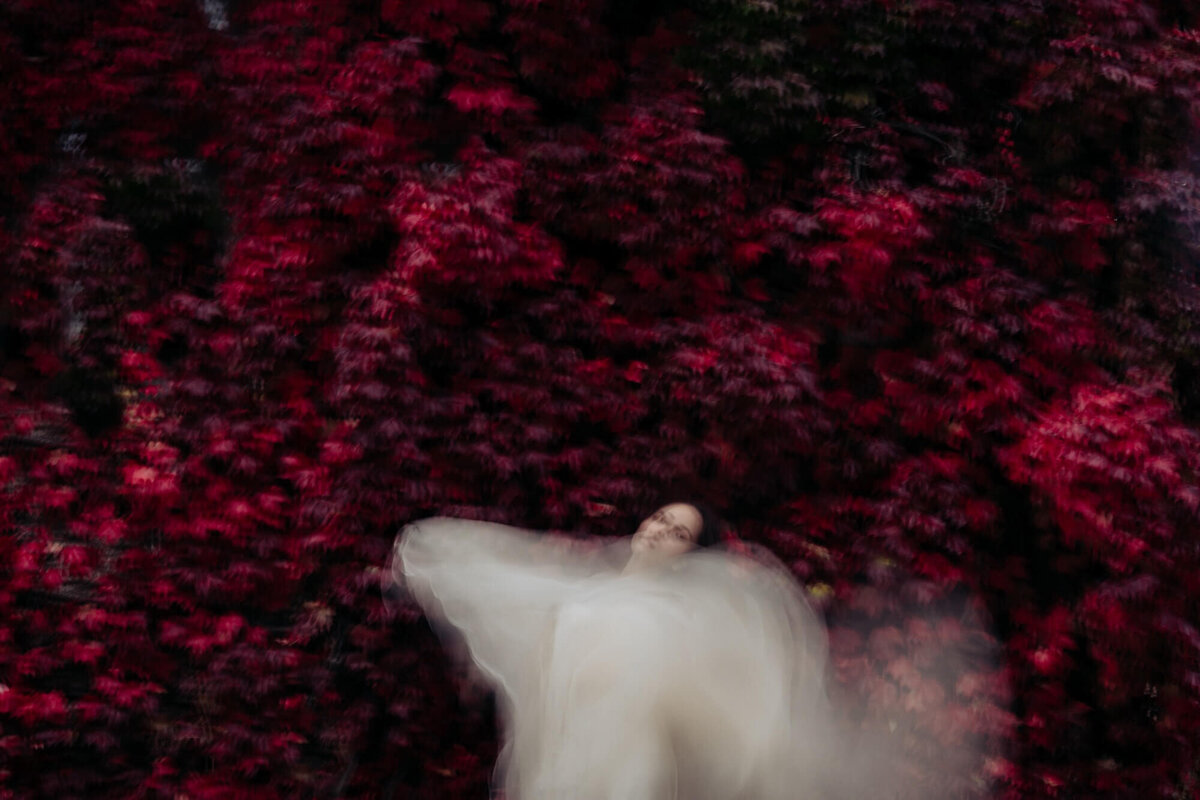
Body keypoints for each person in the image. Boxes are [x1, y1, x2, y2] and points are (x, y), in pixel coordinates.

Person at [390, 504, 893, 800]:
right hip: (565, 769)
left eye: (679, 535)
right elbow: (541, 698)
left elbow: (707, 710)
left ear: (689, 559)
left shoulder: (683, 620)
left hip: (630, 772)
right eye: (659, 519)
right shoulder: (576, 599)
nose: (658, 532)